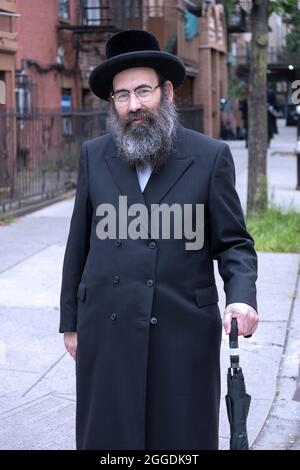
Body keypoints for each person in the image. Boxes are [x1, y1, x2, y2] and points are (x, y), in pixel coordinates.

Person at [59, 29, 258, 451]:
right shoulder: (95, 156)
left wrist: (242, 296)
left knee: (179, 441)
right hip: (107, 332)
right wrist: (71, 322)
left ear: (166, 92)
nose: (134, 105)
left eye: (143, 91)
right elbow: (79, 244)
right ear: (113, 102)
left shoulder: (210, 156)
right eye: (122, 95)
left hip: (182, 334)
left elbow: (234, 243)